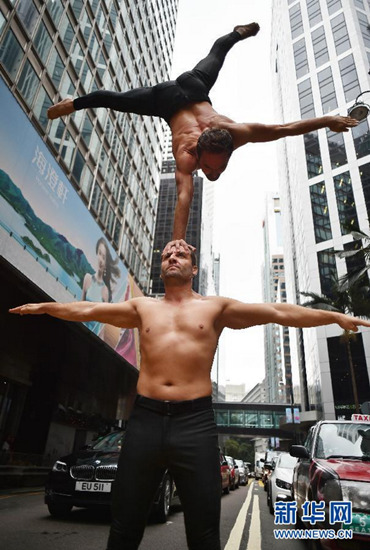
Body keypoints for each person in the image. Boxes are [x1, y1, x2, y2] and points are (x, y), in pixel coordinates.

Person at [9, 239, 370, 550]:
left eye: (181, 253)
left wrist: (332, 317)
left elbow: (277, 311)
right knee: (123, 526)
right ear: (161, 267)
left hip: (195, 424)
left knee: (204, 531)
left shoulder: (215, 308)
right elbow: (88, 308)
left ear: (193, 268)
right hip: (145, 421)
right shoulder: (142, 307)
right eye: (167, 254)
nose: (173, 257)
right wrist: (46, 307)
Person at [47, 24, 359, 240]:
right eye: (208, 166)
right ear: (196, 153)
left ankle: (237, 33)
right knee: (111, 99)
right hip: (174, 96)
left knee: (218, 53)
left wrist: (328, 120)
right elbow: (184, 196)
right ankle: (72, 103)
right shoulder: (187, 155)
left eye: (216, 167)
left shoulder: (235, 133)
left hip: (183, 94)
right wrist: (177, 242)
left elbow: (284, 129)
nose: (211, 171)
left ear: (229, 153)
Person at [82, 237, 120, 334]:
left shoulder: (105, 290)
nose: (101, 260)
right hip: (79, 330)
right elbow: (78, 308)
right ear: (96, 253)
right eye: (99, 253)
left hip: (92, 338)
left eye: (104, 257)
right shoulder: (87, 278)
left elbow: (102, 325)